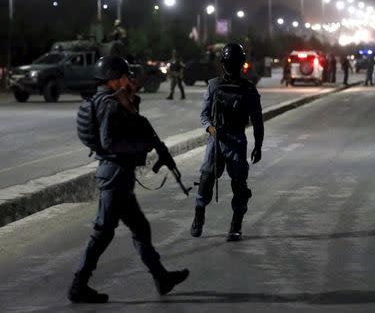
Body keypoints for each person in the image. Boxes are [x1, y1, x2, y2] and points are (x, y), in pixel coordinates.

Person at [69, 56, 189, 304]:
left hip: (117, 175)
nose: (129, 79)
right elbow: (110, 142)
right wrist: (142, 146)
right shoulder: (110, 104)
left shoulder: (111, 100)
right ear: (114, 78)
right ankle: (78, 285)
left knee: (140, 228)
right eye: (124, 76)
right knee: (103, 233)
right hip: (115, 176)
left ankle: (161, 277)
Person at [190, 43, 264, 242]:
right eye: (228, 63)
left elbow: (257, 120)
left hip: (237, 140)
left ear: (240, 64)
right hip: (216, 139)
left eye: (234, 63)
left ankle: (236, 224)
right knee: (206, 180)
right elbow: (204, 115)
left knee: (239, 185)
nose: (231, 66)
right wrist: (210, 128)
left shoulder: (248, 89)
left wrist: (259, 145)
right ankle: (199, 214)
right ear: (223, 64)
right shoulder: (214, 85)